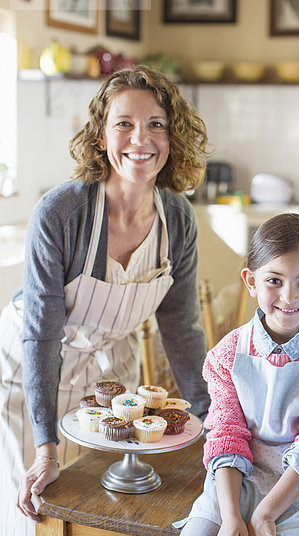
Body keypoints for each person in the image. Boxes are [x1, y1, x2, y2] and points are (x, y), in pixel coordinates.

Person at [0, 66, 210, 535]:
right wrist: (46, 448)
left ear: (173, 136)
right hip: (25, 377)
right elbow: (42, 333)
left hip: (110, 380)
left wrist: (210, 420)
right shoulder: (61, 213)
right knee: (34, 509)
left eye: (156, 123)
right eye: (124, 124)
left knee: (108, 509)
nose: (142, 138)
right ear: (100, 135)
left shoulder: (177, 221)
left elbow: (182, 327)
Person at [175, 213, 299, 536]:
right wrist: (232, 516)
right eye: (274, 280)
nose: (289, 297)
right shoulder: (227, 354)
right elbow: (226, 434)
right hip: (239, 476)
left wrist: (265, 513)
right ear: (251, 281)